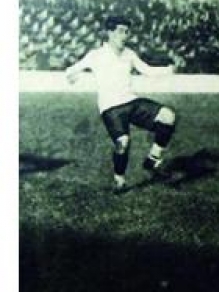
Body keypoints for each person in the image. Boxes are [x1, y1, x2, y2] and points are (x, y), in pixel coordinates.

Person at [65, 16, 177, 194]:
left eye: (127, 32)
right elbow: (71, 70)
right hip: (111, 108)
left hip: (131, 101)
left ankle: (152, 158)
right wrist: (72, 77)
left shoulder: (129, 54)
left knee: (168, 116)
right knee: (123, 142)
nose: (124, 35)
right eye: (120, 31)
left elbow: (146, 70)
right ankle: (119, 180)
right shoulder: (96, 55)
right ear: (109, 33)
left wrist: (168, 70)